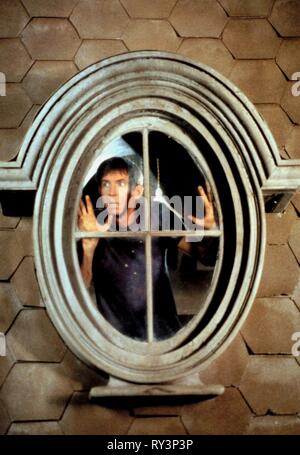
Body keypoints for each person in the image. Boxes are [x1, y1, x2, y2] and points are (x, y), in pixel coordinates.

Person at [78, 157, 216, 341]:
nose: (111, 193)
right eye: (105, 184)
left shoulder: (157, 215)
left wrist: (212, 229)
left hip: (164, 337)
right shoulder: (91, 227)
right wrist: (88, 246)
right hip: (117, 343)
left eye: (120, 184)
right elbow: (79, 290)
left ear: (137, 191)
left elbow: (205, 257)